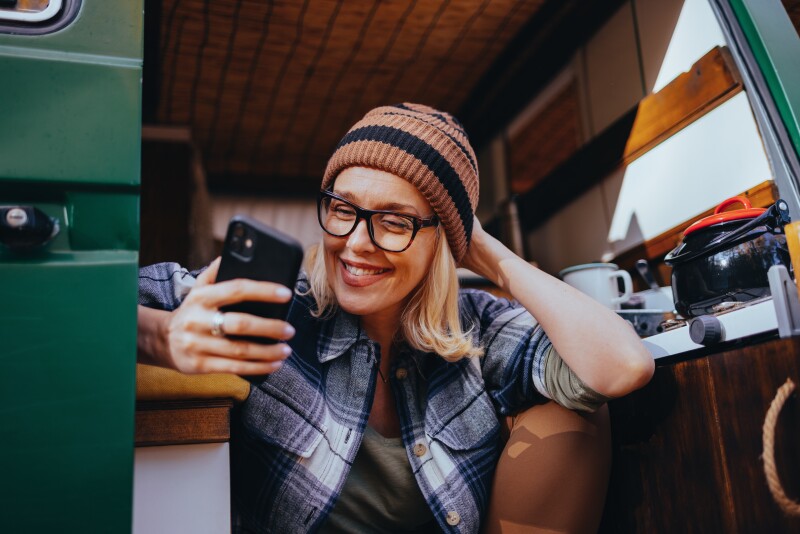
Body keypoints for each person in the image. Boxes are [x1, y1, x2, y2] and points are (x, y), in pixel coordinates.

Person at [137, 103, 654, 533]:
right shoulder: (271, 302)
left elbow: (621, 366)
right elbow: (71, 302)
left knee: (578, 406)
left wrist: (490, 255)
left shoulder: (475, 328)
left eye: (395, 222)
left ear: (444, 241)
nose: (357, 244)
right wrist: (161, 335)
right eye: (343, 209)